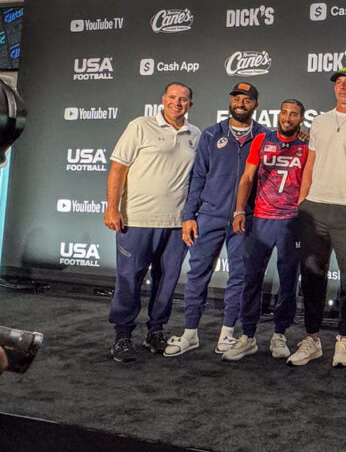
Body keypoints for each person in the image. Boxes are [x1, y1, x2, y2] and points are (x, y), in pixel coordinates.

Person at [164, 82, 268, 357]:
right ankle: (190, 334)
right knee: (197, 274)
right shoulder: (211, 134)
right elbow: (197, 177)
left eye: (247, 100)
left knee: (239, 276)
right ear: (230, 102)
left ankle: (227, 334)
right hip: (209, 216)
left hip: (245, 219)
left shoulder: (265, 137)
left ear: (255, 104)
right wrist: (189, 217)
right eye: (236, 98)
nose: (241, 103)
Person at [288, 67, 346, 368]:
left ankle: (343, 340)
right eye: (338, 83)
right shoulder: (320, 122)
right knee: (313, 277)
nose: (342, 87)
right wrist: (303, 200)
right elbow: (310, 164)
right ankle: (312, 339)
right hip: (314, 208)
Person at [105, 82, 200, 362]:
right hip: (137, 219)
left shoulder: (195, 134)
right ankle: (122, 336)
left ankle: (155, 331)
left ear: (190, 105)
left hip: (176, 223)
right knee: (129, 279)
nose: (177, 103)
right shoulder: (140, 126)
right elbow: (118, 168)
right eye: (172, 97)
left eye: (183, 99)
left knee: (167, 281)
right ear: (162, 100)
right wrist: (112, 208)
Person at [222, 99, 308, 362]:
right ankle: (247, 335)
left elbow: (309, 180)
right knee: (251, 278)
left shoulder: (307, 145)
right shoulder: (261, 140)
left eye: (294, 114)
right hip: (261, 219)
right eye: (284, 112)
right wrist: (239, 210)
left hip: (290, 221)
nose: (288, 117)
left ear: (300, 119)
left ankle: (279, 334)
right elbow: (247, 177)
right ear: (278, 115)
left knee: (288, 280)